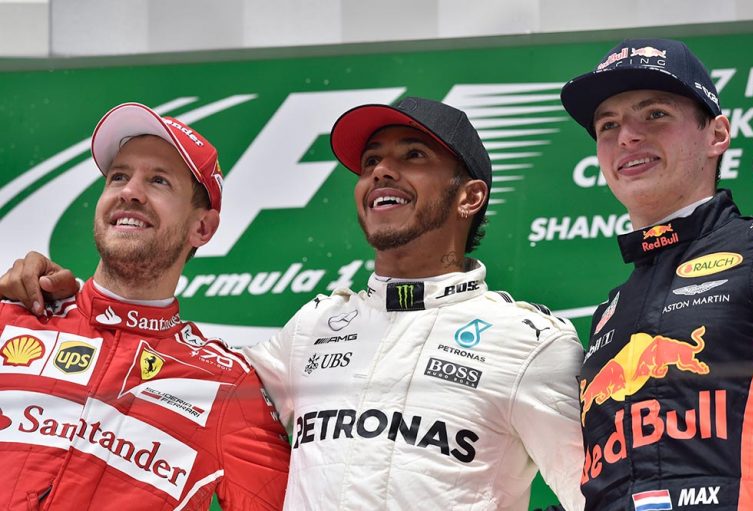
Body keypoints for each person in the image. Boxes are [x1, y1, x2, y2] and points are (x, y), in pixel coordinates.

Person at [0, 97, 586, 510]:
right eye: (371, 161)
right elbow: (167, 356)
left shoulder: (529, 344)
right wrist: (52, 302)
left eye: (412, 156)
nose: (382, 171)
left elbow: (599, 492)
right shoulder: (310, 331)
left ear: (469, 197)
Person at [0, 103, 290, 510]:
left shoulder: (226, 387)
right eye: (118, 176)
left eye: (158, 181)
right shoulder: (14, 318)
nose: (130, 192)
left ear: (202, 227)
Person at [560, 38, 753, 510]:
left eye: (655, 114)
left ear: (716, 135)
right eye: (608, 125)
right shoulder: (610, 313)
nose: (627, 137)